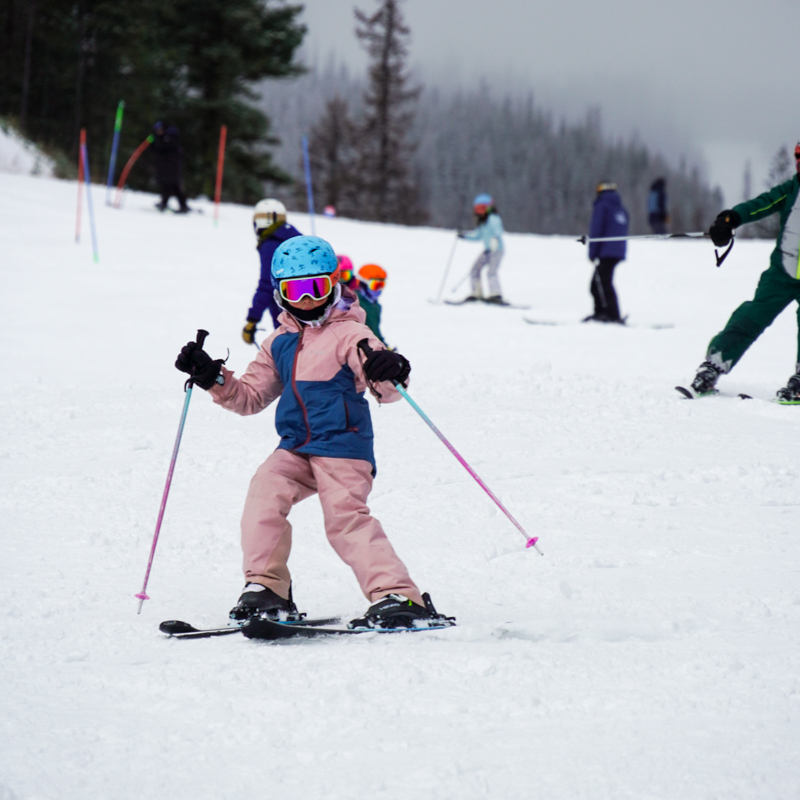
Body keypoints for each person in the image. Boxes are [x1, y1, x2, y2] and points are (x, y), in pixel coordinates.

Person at [175, 235, 449, 628]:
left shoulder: (352, 334)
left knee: (345, 519)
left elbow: (384, 389)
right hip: (296, 448)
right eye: (295, 290)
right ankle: (267, 588)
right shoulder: (280, 342)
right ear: (281, 293)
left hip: (343, 445)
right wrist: (212, 376)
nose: (306, 300)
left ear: (333, 284)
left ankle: (399, 596)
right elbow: (249, 397)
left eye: (315, 288)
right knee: (264, 494)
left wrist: (391, 371)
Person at [684, 142, 800, 403]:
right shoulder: (792, 189)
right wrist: (731, 219)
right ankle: (713, 365)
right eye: (798, 158)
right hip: (782, 272)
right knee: (751, 316)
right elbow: (762, 203)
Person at [242, 199, 302, 343]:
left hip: (290, 314)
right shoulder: (292, 238)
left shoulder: (271, 244)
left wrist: (253, 319)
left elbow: (268, 283)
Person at [584, 182, 629, 323]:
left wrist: (592, 253)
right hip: (617, 252)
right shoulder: (620, 208)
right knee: (602, 282)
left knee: (599, 283)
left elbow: (597, 230)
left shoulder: (602, 205)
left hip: (606, 252)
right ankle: (606, 312)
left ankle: (609, 314)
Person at [457, 193, 506, 304]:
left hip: (497, 250)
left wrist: (494, 242)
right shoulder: (482, 222)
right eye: (478, 209)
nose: (480, 211)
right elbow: (478, 236)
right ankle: (476, 293)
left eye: (482, 208)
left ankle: (496, 294)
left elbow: (498, 232)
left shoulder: (493, 219)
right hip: (487, 251)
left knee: (491, 271)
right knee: (475, 269)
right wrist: (464, 236)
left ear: (489, 208)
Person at [151, 121, 189, 213]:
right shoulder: (163, 137)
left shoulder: (169, 138)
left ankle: (180, 205)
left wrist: (154, 144)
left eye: (159, 130)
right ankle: (166, 203)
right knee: (167, 185)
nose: (158, 132)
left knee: (172, 185)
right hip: (166, 166)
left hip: (172, 166)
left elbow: (162, 150)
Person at [355, 263, 388, 345]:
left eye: (381, 285)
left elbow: (375, 332)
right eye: (375, 285)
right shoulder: (353, 303)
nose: (378, 290)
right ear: (363, 283)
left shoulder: (376, 307)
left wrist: (385, 347)